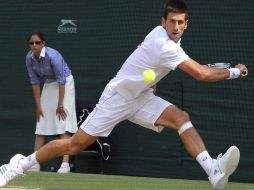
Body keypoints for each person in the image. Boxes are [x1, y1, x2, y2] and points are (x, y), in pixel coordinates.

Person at [0, 0, 248, 189]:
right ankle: (18, 166)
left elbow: (140, 57)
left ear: (186, 23)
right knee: (75, 145)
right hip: (117, 98)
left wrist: (143, 80)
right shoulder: (165, 45)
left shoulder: (162, 38)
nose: (176, 26)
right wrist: (236, 72)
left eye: (180, 22)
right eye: (171, 21)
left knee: (180, 117)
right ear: (164, 22)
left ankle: (213, 170)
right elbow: (202, 74)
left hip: (139, 95)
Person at [24, 32, 78, 173]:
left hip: (65, 83)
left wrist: (60, 105)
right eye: (31, 43)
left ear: (43, 43)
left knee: (63, 122)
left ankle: (65, 165)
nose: (34, 45)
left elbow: (61, 81)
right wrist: (38, 106)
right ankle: (34, 163)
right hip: (49, 84)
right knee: (41, 121)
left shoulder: (53, 56)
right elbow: (34, 82)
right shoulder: (29, 58)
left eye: (37, 42)